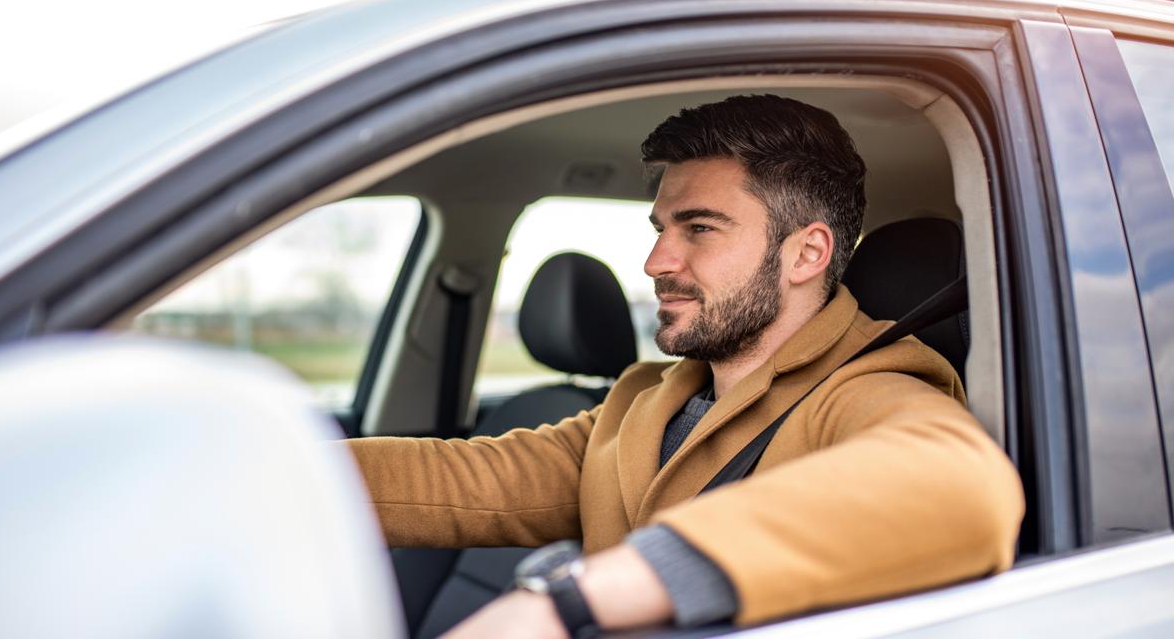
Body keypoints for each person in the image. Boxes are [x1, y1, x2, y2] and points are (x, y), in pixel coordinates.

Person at [346, 94, 1024, 638]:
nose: (656, 262)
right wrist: (268, 474)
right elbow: (465, 482)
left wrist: (567, 603)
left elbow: (964, 486)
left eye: (698, 229)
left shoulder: (866, 392)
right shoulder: (644, 401)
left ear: (806, 254)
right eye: (660, 230)